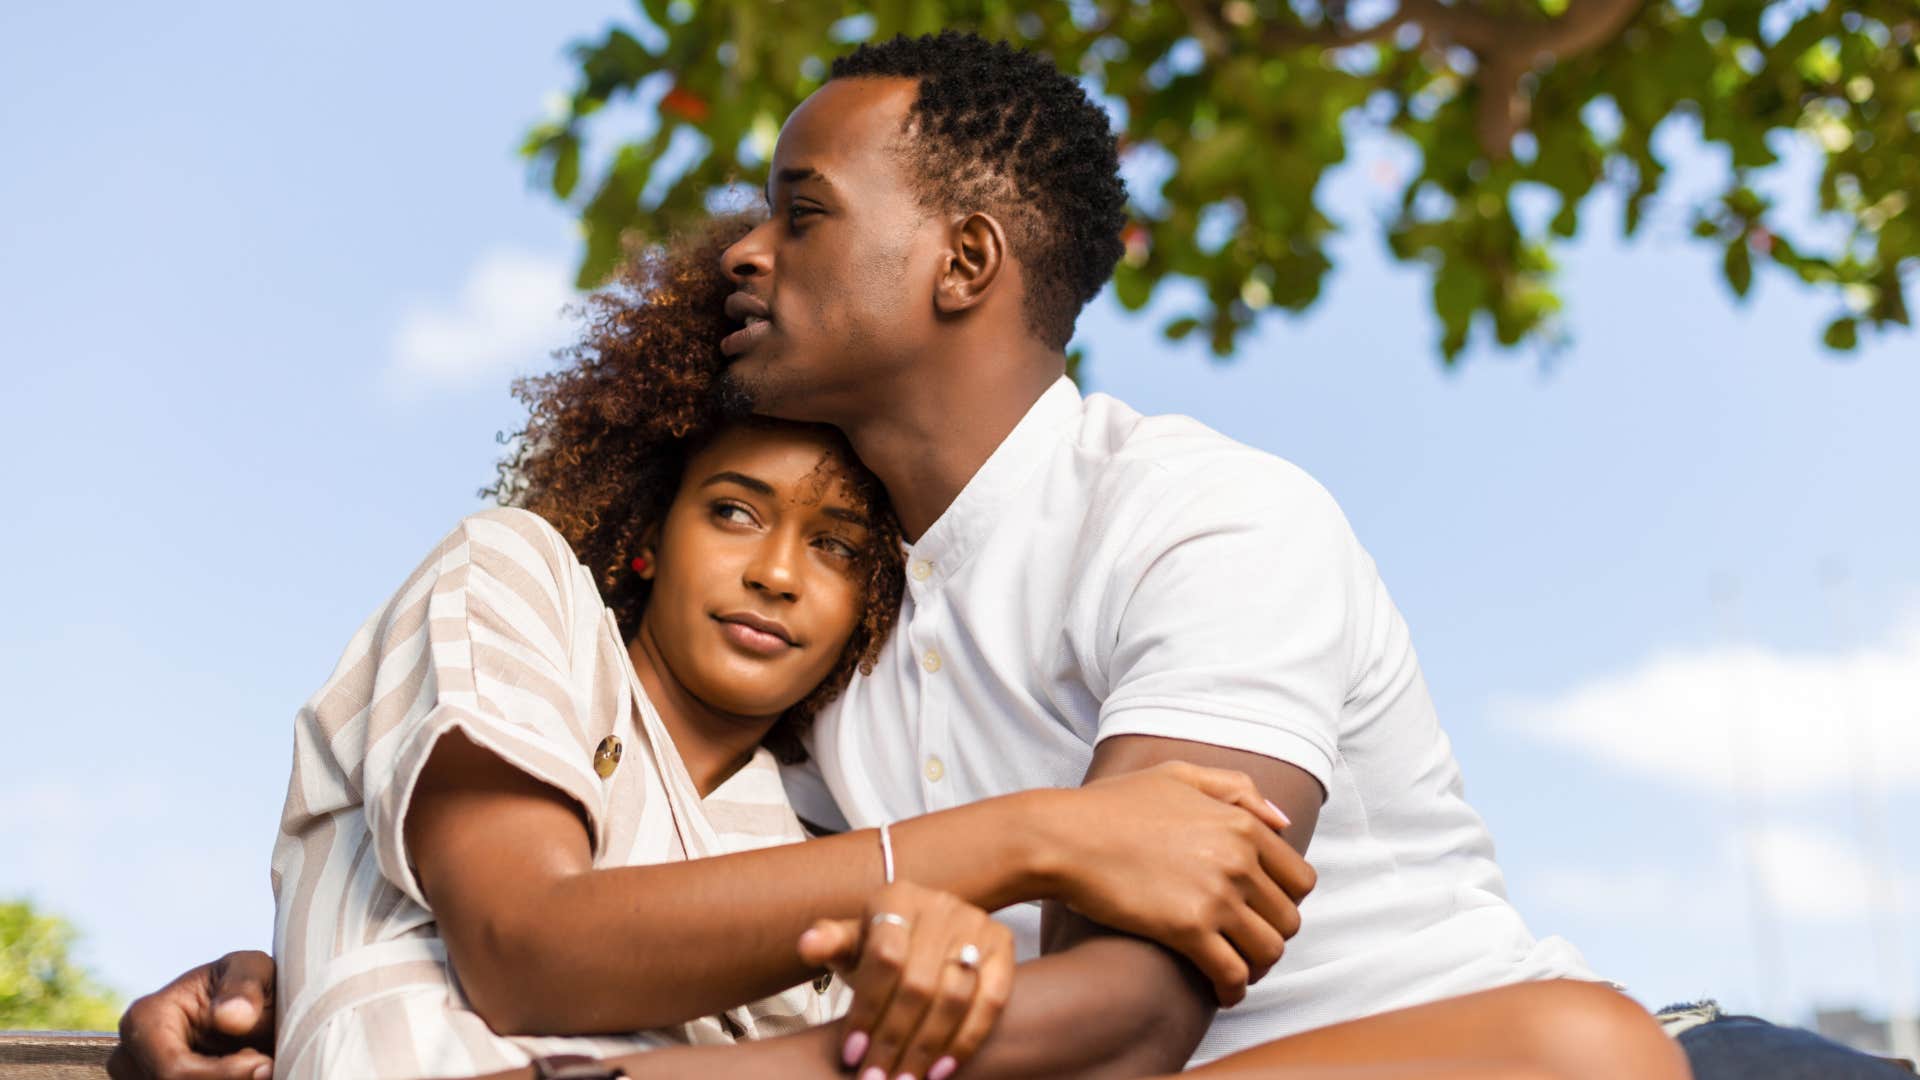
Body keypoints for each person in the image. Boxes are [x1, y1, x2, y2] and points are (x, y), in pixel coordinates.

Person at [113, 28, 1905, 1080]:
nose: (744, 251)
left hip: (1583, 1063)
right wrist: (312, 973)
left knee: (1566, 1052)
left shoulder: (1206, 520)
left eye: (802, 211)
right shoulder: (828, 636)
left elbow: (1125, 1018)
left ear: (964, 264)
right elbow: (641, 900)